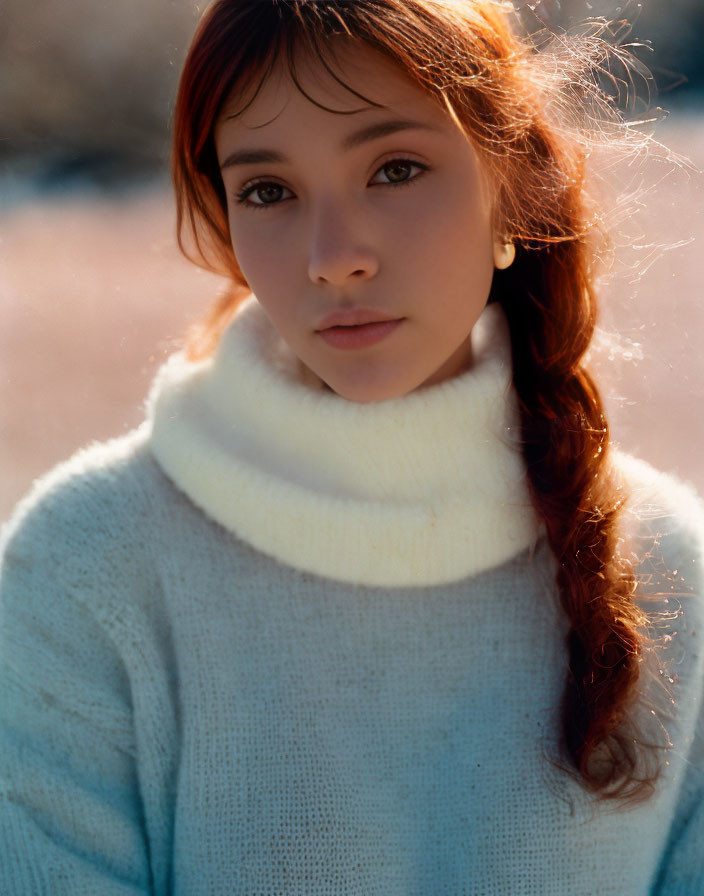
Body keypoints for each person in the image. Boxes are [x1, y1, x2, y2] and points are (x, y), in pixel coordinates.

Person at [1, 1, 702, 893]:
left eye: (395, 168)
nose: (332, 257)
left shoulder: (672, 571)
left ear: (510, 194)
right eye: (268, 191)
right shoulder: (87, 564)